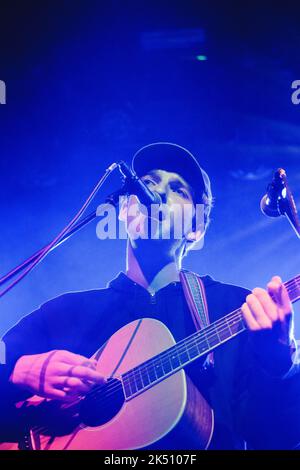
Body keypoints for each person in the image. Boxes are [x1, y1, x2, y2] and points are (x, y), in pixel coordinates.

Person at [0, 142, 300, 450]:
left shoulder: (238, 307)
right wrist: (17, 372)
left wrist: (280, 363)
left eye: (178, 190)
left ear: (195, 229)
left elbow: (279, 438)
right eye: (148, 184)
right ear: (126, 209)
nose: (158, 194)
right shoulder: (64, 312)